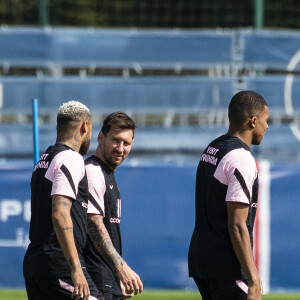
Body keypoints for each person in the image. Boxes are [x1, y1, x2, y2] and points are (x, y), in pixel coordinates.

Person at [188, 91, 269, 300]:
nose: (266, 127)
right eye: (265, 120)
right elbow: (237, 225)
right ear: (253, 121)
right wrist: (253, 279)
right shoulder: (241, 159)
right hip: (227, 267)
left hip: (202, 260)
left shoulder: (213, 147)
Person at [23, 100, 103, 300]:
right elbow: (60, 213)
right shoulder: (71, 158)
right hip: (59, 263)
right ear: (85, 126)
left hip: (35, 260)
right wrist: (76, 268)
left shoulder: (45, 159)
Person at [83, 112, 143, 300]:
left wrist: (116, 275)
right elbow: (93, 224)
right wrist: (121, 268)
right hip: (95, 277)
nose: (120, 148)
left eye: (127, 143)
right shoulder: (93, 172)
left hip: (107, 277)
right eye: (115, 141)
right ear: (101, 138)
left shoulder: (107, 173)